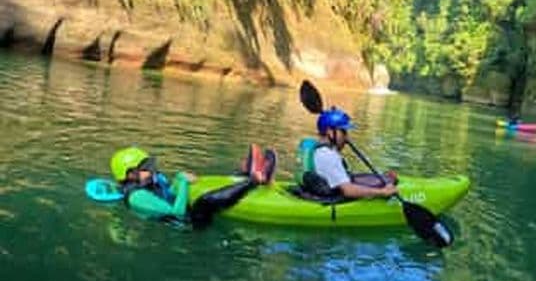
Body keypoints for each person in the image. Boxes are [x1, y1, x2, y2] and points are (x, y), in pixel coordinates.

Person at [110, 144, 276, 227]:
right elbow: (177, 213)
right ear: (131, 175)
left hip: (181, 208)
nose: (152, 170)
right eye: (145, 168)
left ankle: (244, 175)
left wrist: (178, 180)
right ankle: (254, 181)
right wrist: (182, 183)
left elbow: (168, 192)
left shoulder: (148, 181)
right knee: (206, 201)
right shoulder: (137, 197)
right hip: (186, 225)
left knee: (202, 183)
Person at [305, 108, 398, 200]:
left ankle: (384, 177)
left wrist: (381, 177)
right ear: (330, 132)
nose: (347, 137)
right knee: (391, 181)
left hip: (325, 188)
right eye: (343, 132)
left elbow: (343, 177)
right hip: (336, 196)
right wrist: (382, 192)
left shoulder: (320, 150)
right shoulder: (328, 156)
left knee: (388, 178)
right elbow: (348, 191)